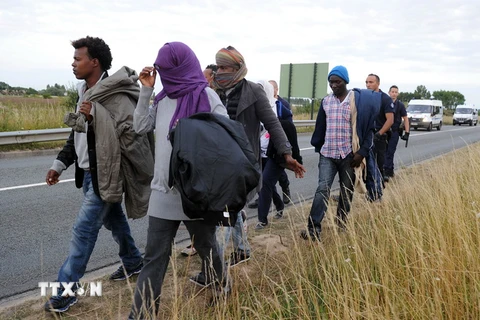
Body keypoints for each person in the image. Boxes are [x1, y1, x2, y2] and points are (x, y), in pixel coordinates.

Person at [44, 36, 153, 313]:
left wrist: (97, 117)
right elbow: (77, 132)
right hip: (88, 173)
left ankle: (65, 292)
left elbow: (131, 134)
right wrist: (59, 164)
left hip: (107, 173)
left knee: (83, 231)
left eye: (77, 58)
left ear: (94, 62)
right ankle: (133, 262)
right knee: (114, 222)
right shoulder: (85, 90)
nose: (73, 63)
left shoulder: (114, 93)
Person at [129, 42, 228, 319]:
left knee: (208, 248)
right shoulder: (161, 99)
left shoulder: (207, 97)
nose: (165, 75)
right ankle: (142, 315)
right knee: (154, 258)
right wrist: (146, 90)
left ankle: (223, 286)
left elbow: (226, 139)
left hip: (195, 194)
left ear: (183, 67)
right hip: (162, 193)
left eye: (168, 69)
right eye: (162, 69)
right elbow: (139, 127)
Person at [213, 46, 305, 265]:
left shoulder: (253, 91)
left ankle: (214, 266)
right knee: (231, 207)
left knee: (225, 210)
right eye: (218, 67)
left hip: (242, 162)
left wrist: (286, 153)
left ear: (237, 68)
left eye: (224, 67)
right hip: (217, 160)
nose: (220, 71)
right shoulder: (212, 90)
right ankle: (243, 249)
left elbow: (272, 123)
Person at [301, 66, 377, 240]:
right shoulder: (326, 101)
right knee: (322, 189)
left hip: (349, 156)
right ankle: (313, 229)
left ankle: (341, 223)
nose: (334, 85)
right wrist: (318, 147)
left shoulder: (356, 101)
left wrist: (362, 153)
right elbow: (320, 126)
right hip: (328, 154)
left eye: (338, 82)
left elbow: (369, 129)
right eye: (331, 82)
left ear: (346, 82)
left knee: (346, 191)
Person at [255, 81, 302, 229]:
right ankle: (280, 205)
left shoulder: (280, 106)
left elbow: (290, 131)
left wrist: (293, 157)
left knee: (265, 183)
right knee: (266, 183)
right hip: (259, 152)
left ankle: (262, 220)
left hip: (276, 153)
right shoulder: (253, 105)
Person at [365, 73, 395, 200]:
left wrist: (380, 133)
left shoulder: (385, 99)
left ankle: (378, 193)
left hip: (379, 136)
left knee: (378, 164)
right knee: (366, 165)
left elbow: (390, 120)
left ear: (378, 83)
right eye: (366, 82)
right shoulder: (364, 97)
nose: (368, 84)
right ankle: (370, 191)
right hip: (366, 135)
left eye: (371, 82)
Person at [269, 80, 293, 204]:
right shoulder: (263, 103)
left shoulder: (283, 104)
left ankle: (285, 189)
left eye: (270, 88)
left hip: (279, 142)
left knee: (279, 169)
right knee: (263, 171)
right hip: (265, 143)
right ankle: (263, 196)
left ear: (276, 90)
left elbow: (289, 124)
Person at [384, 85, 410, 179]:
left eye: (396, 92)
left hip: (394, 132)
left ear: (397, 94)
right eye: (392, 92)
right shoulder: (385, 103)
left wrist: (407, 133)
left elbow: (406, 119)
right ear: (389, 92)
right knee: (383, 152)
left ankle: (387, 172)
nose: (394, 94)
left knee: (390, 152)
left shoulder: (400, 105)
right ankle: (389, 171)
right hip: (385, 131)